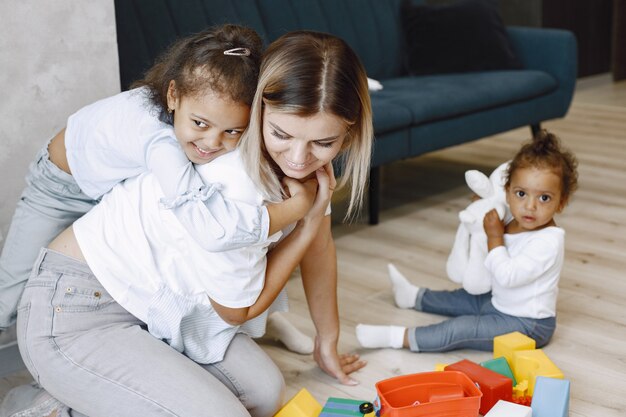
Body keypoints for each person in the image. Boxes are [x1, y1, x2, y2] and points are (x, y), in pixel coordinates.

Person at [3, 30, 373, 417]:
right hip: (77, 307)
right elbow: (236, 311)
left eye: (323, 143)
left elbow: (320, 246)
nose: (299, 158)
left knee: (264, 393)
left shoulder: (292, 164)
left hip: (158, 307)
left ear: (347, 135)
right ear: (258, 109)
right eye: (282, 134)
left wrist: (327, 340)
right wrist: (306, 222)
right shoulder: (235, 183)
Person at [0, 24, 307, 333]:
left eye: (232, 131)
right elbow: (212, 230)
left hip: (118, 184)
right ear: (173, 94)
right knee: (8, 297)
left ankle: (260, 318)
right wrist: (298, 208)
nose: (213, 143)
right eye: (201, 123)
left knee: (206, 234)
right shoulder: (159, 142)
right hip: (60, 188)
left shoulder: (195, 127)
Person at [356, 130, 578, 353]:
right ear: (508, 192)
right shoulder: (515, 218)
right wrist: (484, 204)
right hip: (499, 302)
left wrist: (494, 237)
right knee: (463, 298)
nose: (530, 206)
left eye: (544, 198)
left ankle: (396, 337)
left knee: (461, 328)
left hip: (528, 324)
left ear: (561, 202)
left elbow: (507, 276)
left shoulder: (548, 242)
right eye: (521, 194)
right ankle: (414, 296)